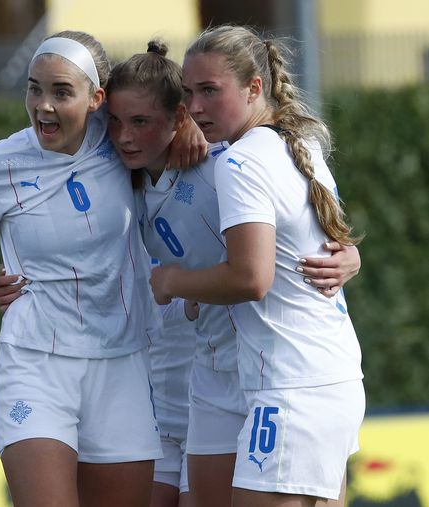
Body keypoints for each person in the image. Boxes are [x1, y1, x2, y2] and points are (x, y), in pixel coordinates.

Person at [0, 39, 361, 507]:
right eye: (116, 122)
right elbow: (29, 219)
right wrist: (19, 274)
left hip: (265, 375)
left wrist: (349, 254)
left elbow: (292, 241)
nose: (124, 135)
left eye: (141, 122)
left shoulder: (227, 163)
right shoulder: (113, 174)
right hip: (172, 387)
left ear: (179, 117)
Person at [0, 30, 205, 507]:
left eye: (62, 92)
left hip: (122, 365)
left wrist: (187, 127)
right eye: (34, 88)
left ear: (96, 100)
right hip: (34, 363)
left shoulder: (121, 141)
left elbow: (162, 111)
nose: (43, 105)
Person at [150, 25, 365, 506]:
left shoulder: (241, 162)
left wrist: (171, 281)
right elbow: (329, 249)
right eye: (188, 94)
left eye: (210, 91)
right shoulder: (299, 143)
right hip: (322, 376)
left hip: (293, 385)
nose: (197, 107)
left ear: (254, 88)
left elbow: (251, 278)